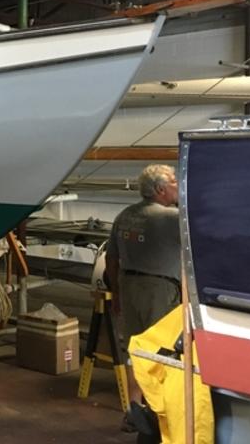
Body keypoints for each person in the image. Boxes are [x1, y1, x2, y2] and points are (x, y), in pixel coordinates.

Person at [105, 164, 181, 427]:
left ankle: (133, 409)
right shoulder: (172, 219)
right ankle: (161, 413)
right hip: (159, 290)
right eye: (173, 181)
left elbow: (111, 258)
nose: (177, 185)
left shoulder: (125, 215)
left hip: (128, 286)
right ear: (161, 189)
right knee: (163, 351)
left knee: (134, 349)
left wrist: (115, 292)